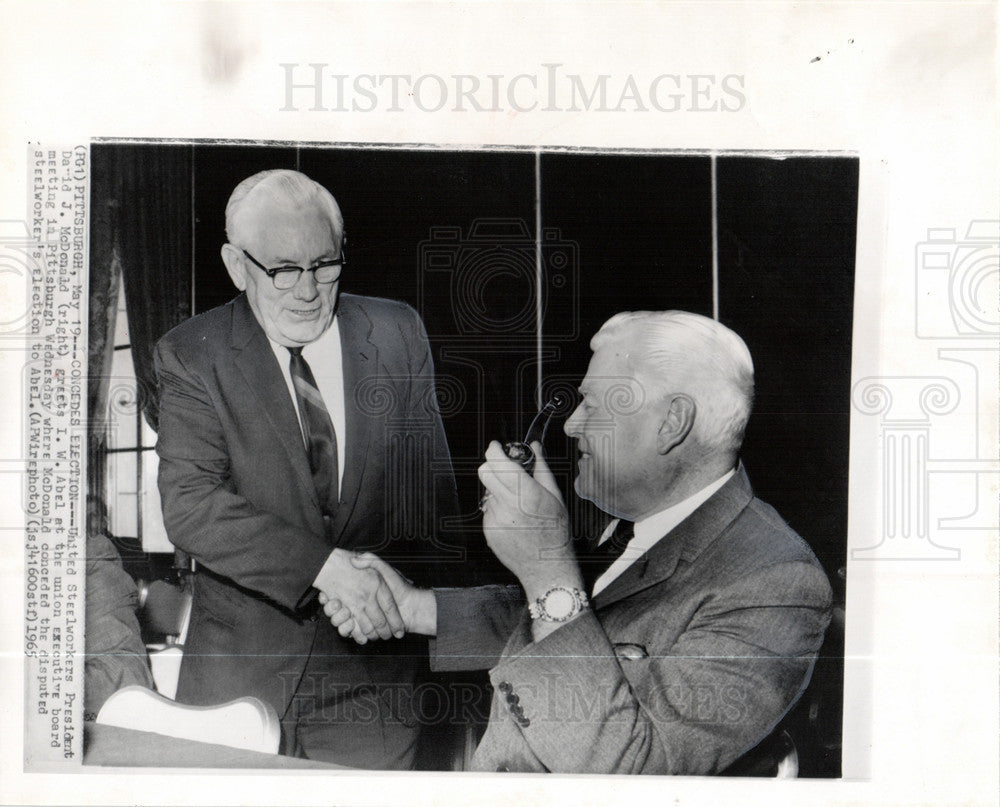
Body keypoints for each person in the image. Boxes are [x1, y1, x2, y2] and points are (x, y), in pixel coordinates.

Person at [326, 310, 833, 774]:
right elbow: (562, 621)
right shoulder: (634, 521)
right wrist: (414, 607)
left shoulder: (775, 582)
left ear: (672, 422)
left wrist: (547, 568)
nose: (570, 425)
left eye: (593, 404)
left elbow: (633, 774)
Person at [153, 169, 459, 768]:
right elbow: (191, 504)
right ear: (237, 266)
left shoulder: (396, 333)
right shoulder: (193, 352)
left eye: (325, 264)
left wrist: (418, 610)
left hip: (375, 685)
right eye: (283, 270)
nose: (309, 290)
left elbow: (432, 500)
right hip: (236, 687)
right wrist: (328, 570)